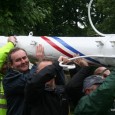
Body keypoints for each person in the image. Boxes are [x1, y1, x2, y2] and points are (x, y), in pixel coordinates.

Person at [3, 44, 45, 115]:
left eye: (24, 58)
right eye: (18, 60)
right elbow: (30, 81)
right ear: (11, 65)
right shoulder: (8, 79)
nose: (23, 61)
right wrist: (40, 62)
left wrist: (61, 64)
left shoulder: (30, 72)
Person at [0, 36, 16, 115]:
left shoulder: (13, 77)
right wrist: (11, 43)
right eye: (3, 63)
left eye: (8, 63)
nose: (6, 66)